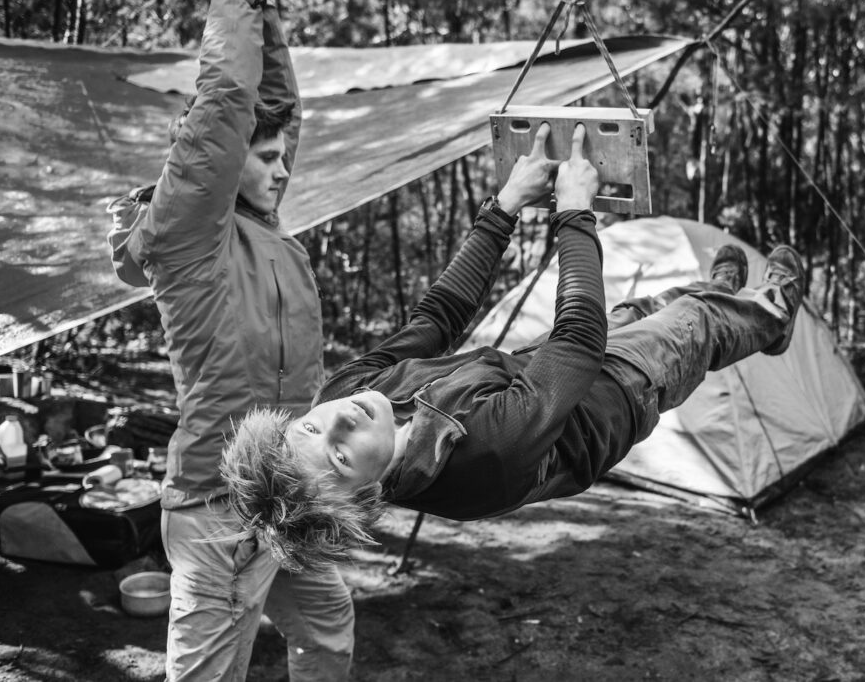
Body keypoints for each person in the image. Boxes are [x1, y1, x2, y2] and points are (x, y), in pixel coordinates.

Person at [218, 122, 808, 571]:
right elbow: (578, 342)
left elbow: (438, 316)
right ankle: (771, 316)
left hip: (539, 364)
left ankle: (724, 293)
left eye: (312, 430)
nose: (341, 420)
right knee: (692, 323)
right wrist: (576, 213)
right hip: (616, 398)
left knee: (655, 307)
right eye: (342, 457)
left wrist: (502, 208)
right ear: (367, 496)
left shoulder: (347, 393)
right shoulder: (481, 461)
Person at [106, 0, 353, 682]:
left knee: (328, 622)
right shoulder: (191, 229)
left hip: (289, 492)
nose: (282, 169)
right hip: (218, 506)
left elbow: (277, 112)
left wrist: (266, 13)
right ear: (226, 157)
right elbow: (227, 103)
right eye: (265, 155)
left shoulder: (264, 231)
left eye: (283, 158)